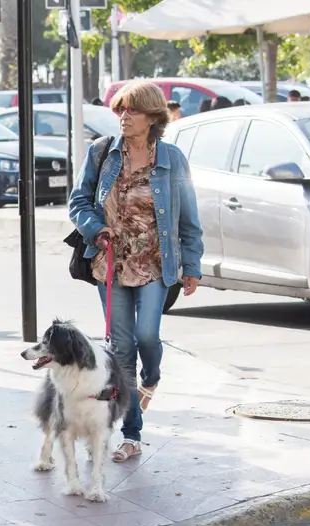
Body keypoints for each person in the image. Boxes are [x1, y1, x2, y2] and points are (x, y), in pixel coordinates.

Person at [69, 80, 203, 464]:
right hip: (110, 262)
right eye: (121, 110)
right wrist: (96, 228)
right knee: (121, 349)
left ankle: (152, 377)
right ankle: (132, 434)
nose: (124, 117)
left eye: (133, 111)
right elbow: (78, 201)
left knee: (148, 336)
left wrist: (191, 266)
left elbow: (188, 217)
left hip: (156, 264)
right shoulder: (101, 154)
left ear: (153, 117)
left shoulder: (172, 159)